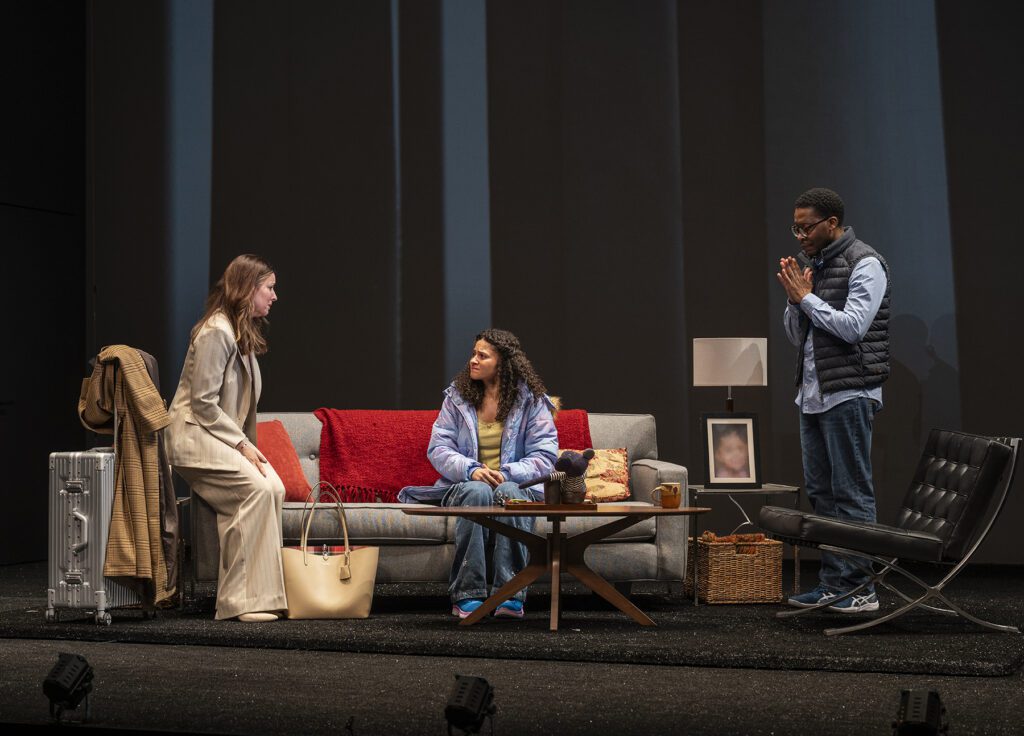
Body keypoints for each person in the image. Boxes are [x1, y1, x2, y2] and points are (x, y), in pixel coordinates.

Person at [776, 187, 890, 614]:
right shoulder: (816, 267)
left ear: (832, 223)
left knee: (851, 492)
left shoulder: (866, 263)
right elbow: (799, 338)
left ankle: (861, 589)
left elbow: (852, 328)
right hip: (812, 396)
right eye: (796, 227)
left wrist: (806, 298)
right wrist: (795, 304)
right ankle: (833, 584)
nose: (800, 235)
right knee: (822, 494)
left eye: (806, 227)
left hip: (849, 393)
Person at [398, 328, 558, 620]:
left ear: (503, 363)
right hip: (465, 484)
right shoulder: (458, 397)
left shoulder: (532, 401)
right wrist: (471, 470)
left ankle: (510, 595)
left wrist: (505, 473)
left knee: (508, 493)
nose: (473, 360)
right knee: (478, 491)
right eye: (473, 353)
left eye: (482, 356)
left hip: (514, 486)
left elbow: (545, 457)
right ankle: (467, 594)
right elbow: (439, 448)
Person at [165, 254, 287, 622]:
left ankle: (253, 596)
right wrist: (243, 446)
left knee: (274, 488)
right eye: (269, 288)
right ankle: (242, 602)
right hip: (192, 435)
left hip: (215, 435)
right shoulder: (216, 331)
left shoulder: (238, 332)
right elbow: (202, 404)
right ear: (249, 289)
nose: (274, 296)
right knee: (258, 490)